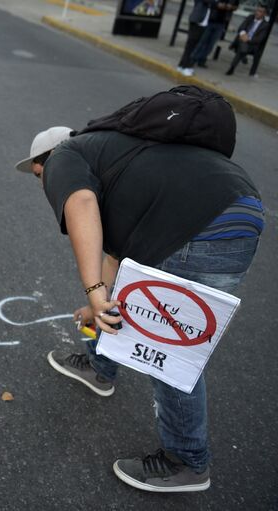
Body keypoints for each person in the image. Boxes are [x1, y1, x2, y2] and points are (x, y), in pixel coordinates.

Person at [15, 125, 263, 492]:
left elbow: (81, 205)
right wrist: (95, 302)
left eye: (39, 174)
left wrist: (94, 291)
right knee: (152, 313)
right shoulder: (122, 158)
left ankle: (187, 461)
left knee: (169, 347)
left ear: (48, 158)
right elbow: (119, 259)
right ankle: (100, 368)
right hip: (238, 213)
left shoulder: (67, 157)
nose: (43, 184)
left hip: (202, 227)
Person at [189, 0, 239, 70]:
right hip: (210, 19)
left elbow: (236, 6)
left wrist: (230, 7)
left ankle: (202, 59)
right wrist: (217, 5)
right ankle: (193, 59)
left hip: (222, 22)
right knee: (202, 41)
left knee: (211, 43)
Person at [226, 3, 270, 75]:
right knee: (242, 45)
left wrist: (248, 39)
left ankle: (233, 67)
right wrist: (243, 35)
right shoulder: (250, 17)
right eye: (257, 10)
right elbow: (241, 27)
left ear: (264, 14)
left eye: (260, 11)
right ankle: (233, 66)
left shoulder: (265, 25)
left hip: (252, 44)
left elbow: (260, 38)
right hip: (242, 39)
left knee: (242, 48)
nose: (257, 13)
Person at [177, 0, 215, 77]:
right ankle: (186, 66)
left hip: (203, 24)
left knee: (194, 46)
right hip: (197, 21)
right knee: (191, 45)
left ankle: (182, 65)